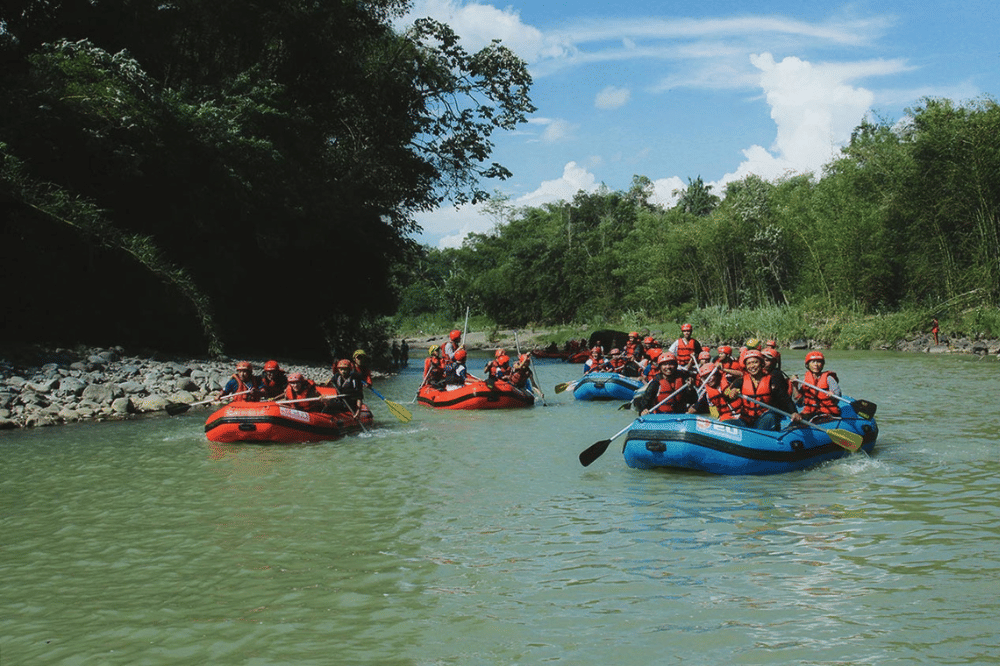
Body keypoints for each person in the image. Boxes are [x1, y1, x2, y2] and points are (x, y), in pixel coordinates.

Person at [737, 350, 801, 431]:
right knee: (728, 422)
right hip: (746, 418)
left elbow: (784, 398)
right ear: (745, 366)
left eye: (755, 362)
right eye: (749, 364)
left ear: (761, 364)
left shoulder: (772, 379)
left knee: (770, 417)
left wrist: (794, 412)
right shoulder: (741, 380)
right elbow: (727, 393)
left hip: (765, 415)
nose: (752, 366)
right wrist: (730, 393)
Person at [792, 351, 842, 421]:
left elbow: (838, 395)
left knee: (815, 419)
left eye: (819, 362)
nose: (816, 365)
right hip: (810, 412)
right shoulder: (804, 381)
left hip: (827, 412)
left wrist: (833, 395)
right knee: (796, 420)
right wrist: (795, 386)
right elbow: (798, 402)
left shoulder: (829, 379)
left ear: (822, 364)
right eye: (813, 362)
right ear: (808, 365)